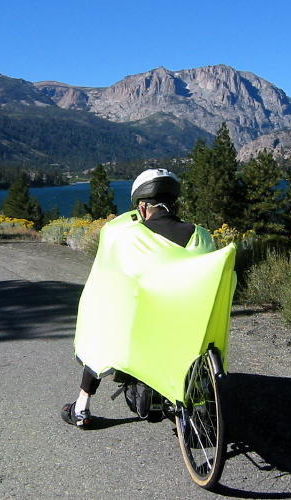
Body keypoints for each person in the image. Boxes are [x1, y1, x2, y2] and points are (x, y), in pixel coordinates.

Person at [61, 168, 215, 428]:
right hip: (189, 329)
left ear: (142, 208)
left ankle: (82, 407)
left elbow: (107, 283)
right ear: (176, 206)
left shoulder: (127, 237)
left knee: (103, 320)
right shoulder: (202, 236)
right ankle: (199, 404)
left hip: (139, 332)